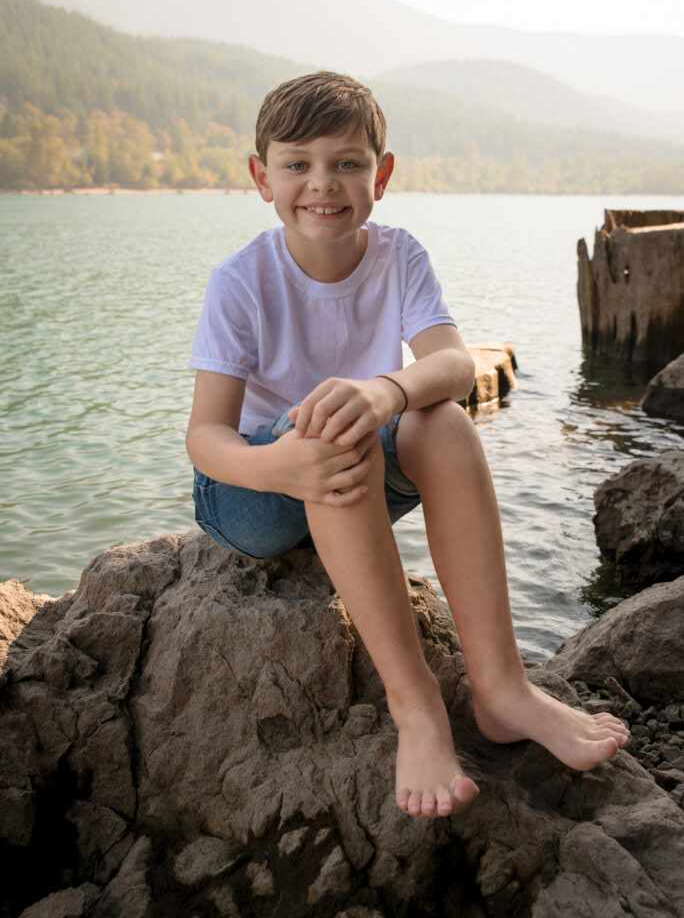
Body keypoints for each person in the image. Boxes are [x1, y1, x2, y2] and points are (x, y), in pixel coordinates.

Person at [186, 71, 629, 818]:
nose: (322, 184)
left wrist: (387, 390)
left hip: (341, 470)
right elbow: (205, 438)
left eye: (347, 163)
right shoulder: (241, 281)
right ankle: (416, 706)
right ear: (262, 178)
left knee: (442, 420)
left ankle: (502, 689)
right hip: (251, 491)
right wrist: (279, 462)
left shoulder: (398, 256)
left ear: (381, 176)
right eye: (297, 164)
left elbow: (454, 365)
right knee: (328, 432)